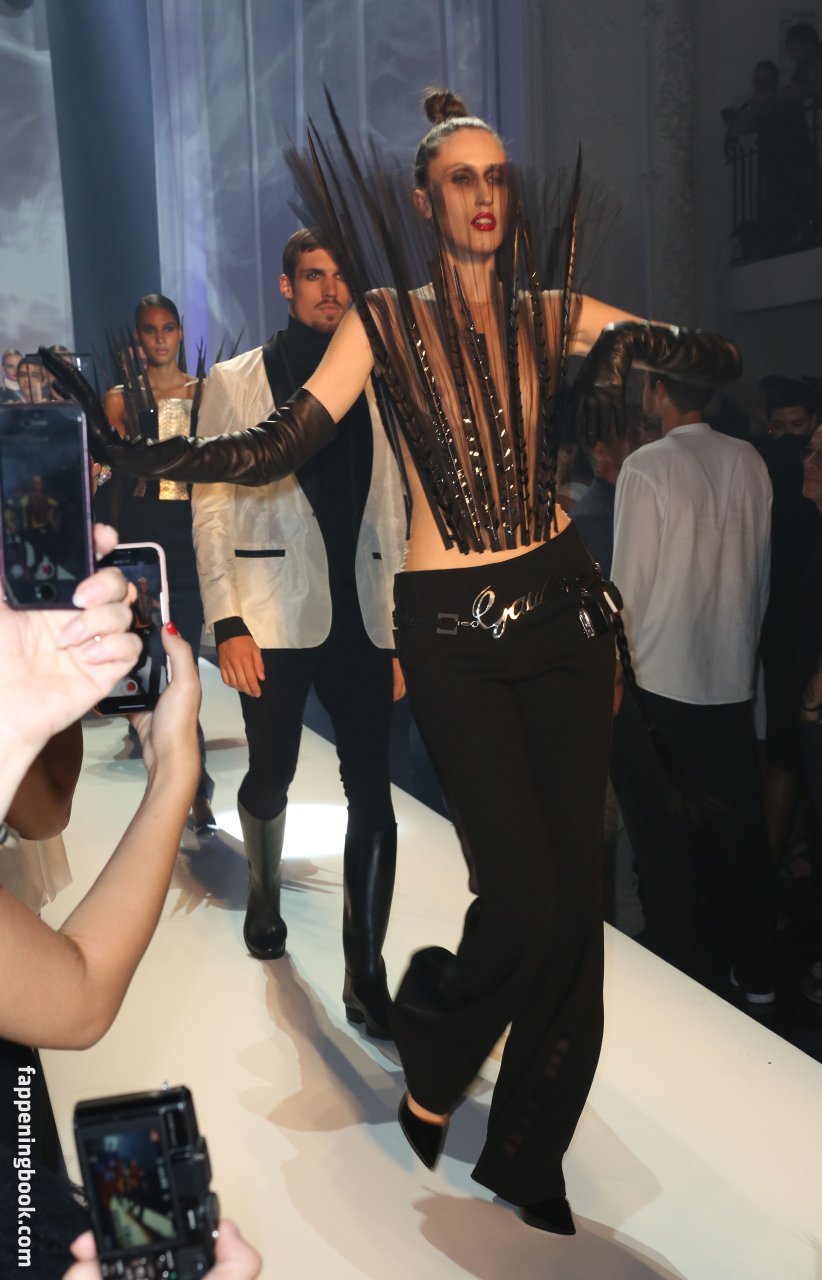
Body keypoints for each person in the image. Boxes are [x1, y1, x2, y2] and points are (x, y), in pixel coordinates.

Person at [42, 88, 740, 1236]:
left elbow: (708, 355)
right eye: (462, 177)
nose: (484, 195)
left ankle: (527, 1147)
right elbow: (275, 443)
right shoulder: (387, 324)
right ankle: (431, 1025)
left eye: (498, 176)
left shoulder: (550, 311)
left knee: (573, 901)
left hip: (559, 612)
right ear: (425, 201)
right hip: (445, 621)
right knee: (518, 886)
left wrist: (654, 342)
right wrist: (143, 450)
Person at [191, 229, 406, 1037]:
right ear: (287, 286)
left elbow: (399, 505)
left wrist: (402, 629)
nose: (330, 289)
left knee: (372, 788)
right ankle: (264, 890)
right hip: (272, 612)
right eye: (314, 276)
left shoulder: (382, 382)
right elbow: (211, 504)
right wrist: (228, 621)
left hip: (365, 612)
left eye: (341, 276)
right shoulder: (235, 381)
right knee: (271, 772)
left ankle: (365, 974)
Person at [610, 371, 776, 1002]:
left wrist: (615, 676)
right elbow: (759, 577)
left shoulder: (647, 466)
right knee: (737, 845)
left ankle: (684, 992)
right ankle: (756, 980)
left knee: (666, 854)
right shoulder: (749, 459)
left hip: (660, 687)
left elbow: (626, 592)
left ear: (657, 391)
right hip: (730, 680)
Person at [103, 294, 215, 833]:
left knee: (182, 662)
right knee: (154, 670)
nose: (161, 339)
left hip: (189, 540)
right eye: (150, 330)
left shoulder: (203, 392)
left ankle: (194, 785)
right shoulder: (120, 400)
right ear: (138, 338)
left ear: (179, 332)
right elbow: (112, 475)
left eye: (168, 328)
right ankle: (176, 780)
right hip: (142, 543)